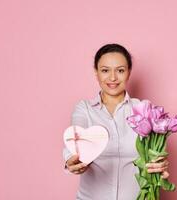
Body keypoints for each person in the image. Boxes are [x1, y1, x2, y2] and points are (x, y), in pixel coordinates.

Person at [63, 43, 170, 200]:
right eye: (105, 70)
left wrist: (160, 166)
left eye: (120, 70)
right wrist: (71, 160)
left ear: (128, 72)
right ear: (96, 72)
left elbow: (155, 154)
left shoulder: (143, 109)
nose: (112, 78)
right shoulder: (84, 109)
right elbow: (75, 137)